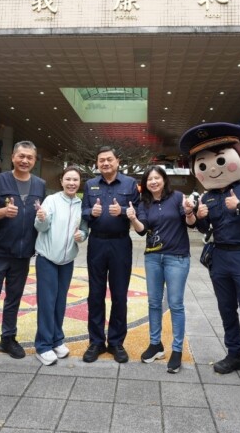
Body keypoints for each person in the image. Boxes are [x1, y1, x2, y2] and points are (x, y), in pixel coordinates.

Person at [179, 122, 240, 396]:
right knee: (226, 311)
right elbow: (207, 230)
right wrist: (196, 217)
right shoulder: (208, 195)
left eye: (219, 160)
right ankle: (235, 354)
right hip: (220, 258)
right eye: (202, 165)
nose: (212, 168)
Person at [0, 141, 46, 369]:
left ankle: (8, 338)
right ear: (13, 157)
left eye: (30, 158)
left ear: (35, 161)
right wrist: (4, 212)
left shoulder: (40, 184)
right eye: (21, 156)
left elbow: (40, 214)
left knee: (14, 298)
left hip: (22, 254)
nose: (25, 161)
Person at [126, 165, 195, 373]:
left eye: (157, 178)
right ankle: (155, 344)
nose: (153, 182)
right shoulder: (144, 203)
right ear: (145, 184)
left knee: (175, 304)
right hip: (153, 258)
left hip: (177, 257)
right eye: (149, 179)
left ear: (164, 179)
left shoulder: (177, 197)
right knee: (154, 302)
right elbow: (142, 230)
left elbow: (190, 223)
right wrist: (133, 218)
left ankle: (176, 350)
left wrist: (190, 211)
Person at [81, 146, 140, 363]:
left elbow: (139, 211)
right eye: (101, 160)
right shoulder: (90, 184)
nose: (105, 163)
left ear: (117, 161)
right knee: (95, 294)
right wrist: (91, 212)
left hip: (120, 244)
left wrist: (123, 211)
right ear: (97, 164)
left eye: (109, 160)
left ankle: (116, 342)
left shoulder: (130, 184)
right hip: (97, 243)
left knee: (119, 294)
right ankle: (96, 341)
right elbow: (83, 211)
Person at [33, 166, 88, 365]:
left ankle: (57, 339)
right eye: (68, 179)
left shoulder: (81, 203)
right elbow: (41, 226)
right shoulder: (52, 200)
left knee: (60, 301)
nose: (72, 183)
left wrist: (82, 235)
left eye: (75, 180)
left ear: (79, 182)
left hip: (67, 260)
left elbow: (83, 228)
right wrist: (42, 218)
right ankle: (43, 345)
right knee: (47, 302)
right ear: (62, 181)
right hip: (47, 258)